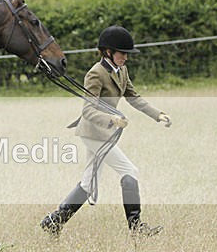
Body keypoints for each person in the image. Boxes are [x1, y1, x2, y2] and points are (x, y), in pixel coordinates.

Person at [40, 25, 171, 238]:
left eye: (127, 54)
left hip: (103, 134)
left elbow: (133, 97)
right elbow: (88, 110)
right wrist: (112, 119)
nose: (125, 58)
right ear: (108, 52)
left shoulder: (122, 71)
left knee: (88, 183)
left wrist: (157, 115)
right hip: (93, 134)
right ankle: (136, 228)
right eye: (122, 53)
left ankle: (53, 221)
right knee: (130, 171)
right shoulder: (95, 74)